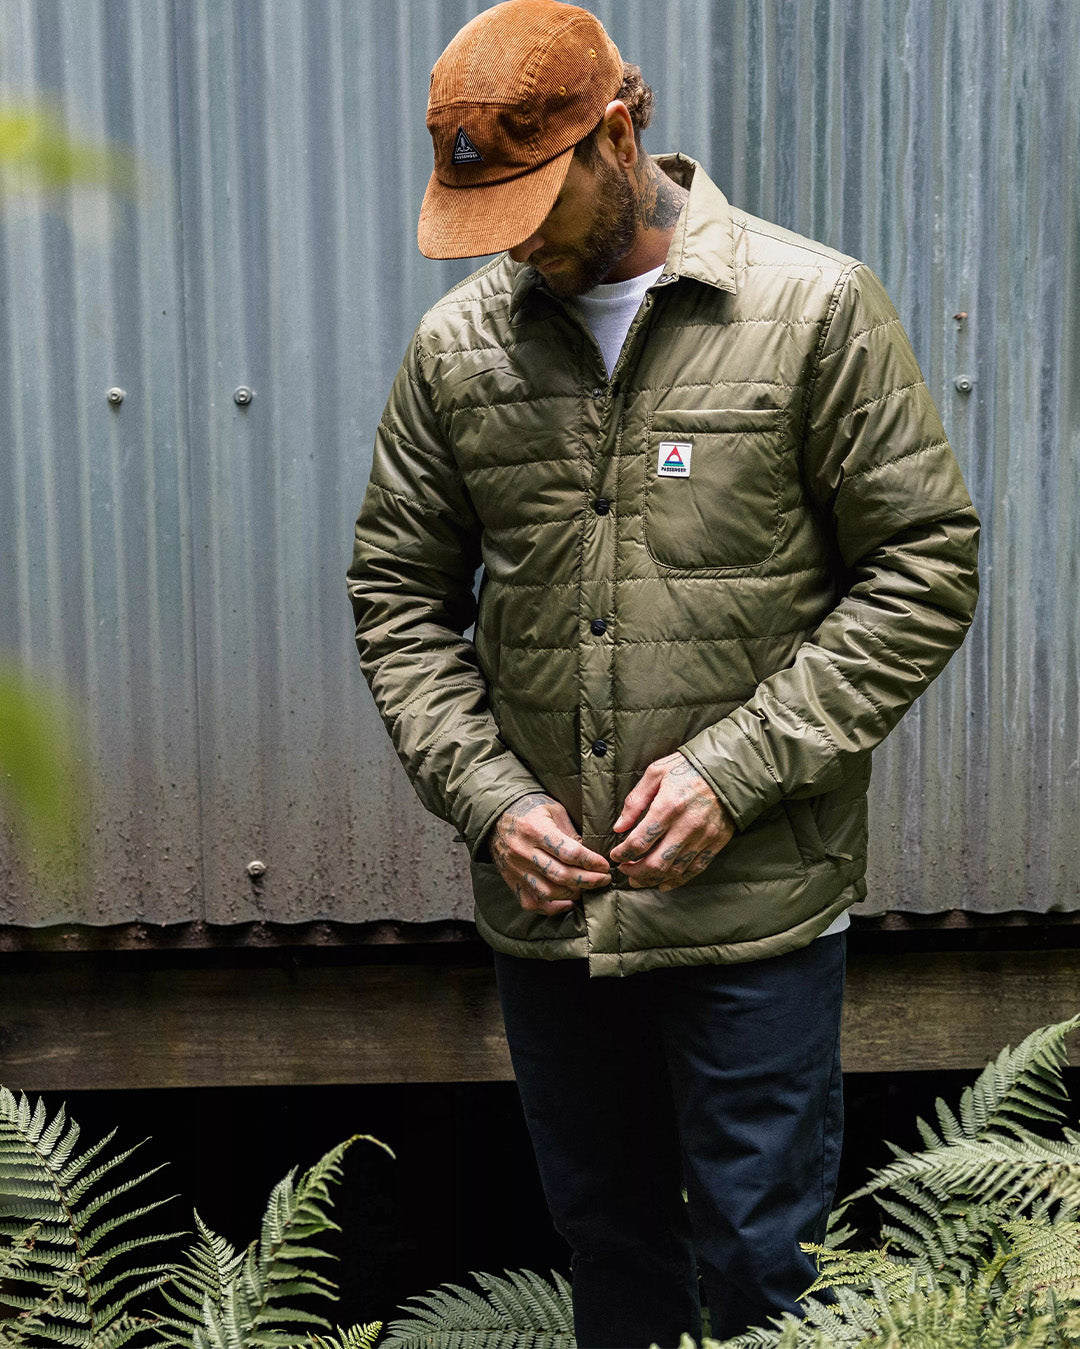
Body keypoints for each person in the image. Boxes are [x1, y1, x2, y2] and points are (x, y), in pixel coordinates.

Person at [347, 2, 980, 1344]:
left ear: (619, 134)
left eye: (535, 203)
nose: (514, 241)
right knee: (612, 1252)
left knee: (768, 1267)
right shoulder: (456, 352)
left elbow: (923, 566)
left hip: (758, 905)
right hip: (553, 917)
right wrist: (490, 800)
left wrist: (732, 772)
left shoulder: (813, 310)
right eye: (485, 214)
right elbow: (398, 600)